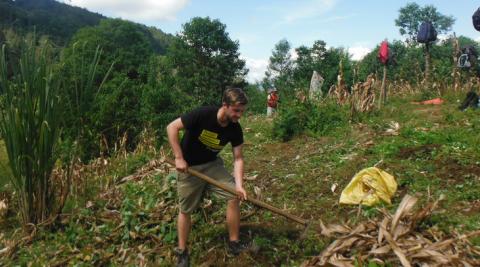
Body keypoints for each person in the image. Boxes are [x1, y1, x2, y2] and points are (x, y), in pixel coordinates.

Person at [166, 88, 250, 267]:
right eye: (236, 110)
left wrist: (240, 185)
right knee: (185, 209)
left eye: (242, 111)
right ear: (225, 105)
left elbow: (238, 158)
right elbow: (171, 127)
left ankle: (234, 243)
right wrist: (179, 158)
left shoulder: (235, 128)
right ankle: (182, 251)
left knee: (234, 195)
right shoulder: (203, 114)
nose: (239, 115)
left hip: (212, 166)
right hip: (189, 168)